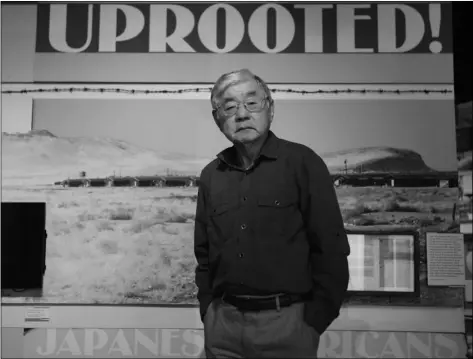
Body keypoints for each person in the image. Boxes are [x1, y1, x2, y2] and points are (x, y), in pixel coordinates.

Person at [194, 69, 350, 358]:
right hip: (223, 326)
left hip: (287, 325)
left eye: (252, 103)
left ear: (271, 108)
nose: (241, 114)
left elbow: (331, 248)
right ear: (218, 119)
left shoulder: (303, 163)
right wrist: (209, 312)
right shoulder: (211, 175)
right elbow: (203, 255)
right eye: (229, 107)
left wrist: (312, 322)